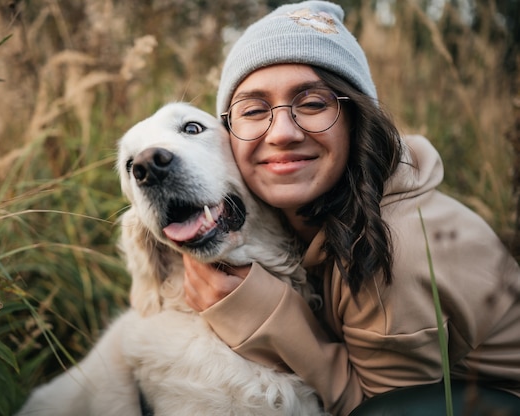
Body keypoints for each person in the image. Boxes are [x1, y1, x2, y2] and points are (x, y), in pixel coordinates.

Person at [181, 1, 520, 415]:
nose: (283, 133)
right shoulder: (304, 213)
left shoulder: (396, 247)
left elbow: (382, 409)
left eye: (312, 104)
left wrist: (265, 314)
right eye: (253, 110)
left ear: (357, 120)